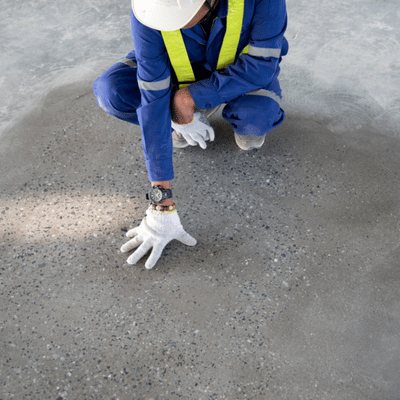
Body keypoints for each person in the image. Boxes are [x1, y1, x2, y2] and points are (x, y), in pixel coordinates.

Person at [93, 0, 288, 269]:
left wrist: (189, 98)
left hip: (240, 75)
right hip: (178, 73)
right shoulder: (149, 10)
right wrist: (161, 203)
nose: (170, 21)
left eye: (177, 14)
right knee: (111, 91)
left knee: (255, 123)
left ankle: (197, 110)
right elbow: (151, 95)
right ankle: (177, 119)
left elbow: (261, 64)